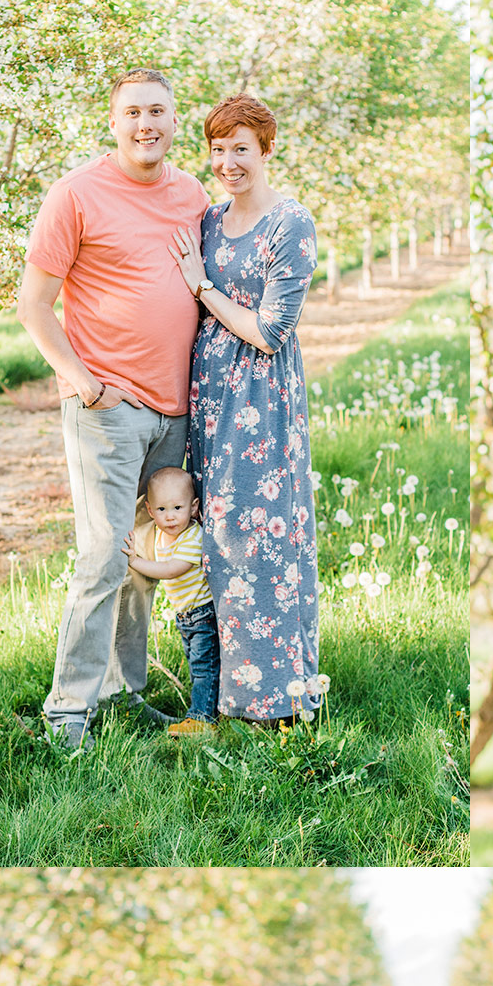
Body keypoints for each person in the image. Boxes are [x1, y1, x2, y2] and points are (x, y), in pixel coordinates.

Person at [17, 69, 210, 751]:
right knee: (102, 554)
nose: (145, 124)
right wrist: (80, 378)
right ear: (113, 121)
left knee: (143, 554)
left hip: (173, 413)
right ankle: (68, 712)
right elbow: (33, 304)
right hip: (107, 407)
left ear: (174, 119)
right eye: (133, 112)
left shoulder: (193, 194)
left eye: (158, 110)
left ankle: (123, 691)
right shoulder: (75, 194)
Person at [167, 93, 322, 726]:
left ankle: (277, 697)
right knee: (220, 537)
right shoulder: (208, 220)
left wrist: (201, 283)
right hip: (211, 400)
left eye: (241, 149)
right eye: (218, 150)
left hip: (263, 400)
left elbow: (270, 330)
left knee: (265, 535)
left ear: (266, 150)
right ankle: (224, 693)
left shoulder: (291, 223)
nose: (229, 162)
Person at [123, 466, 220, 735]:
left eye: (178, 507)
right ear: (151, 512)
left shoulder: (192, 536)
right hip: (185, 615)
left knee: (204, 668)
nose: (170, 517)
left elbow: (170, 570)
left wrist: (135, 562)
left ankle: (201, 719)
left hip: (202, 613)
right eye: (162, 510)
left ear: (193, 507)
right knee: (197, 666)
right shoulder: (160, 535)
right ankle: (206, 712)